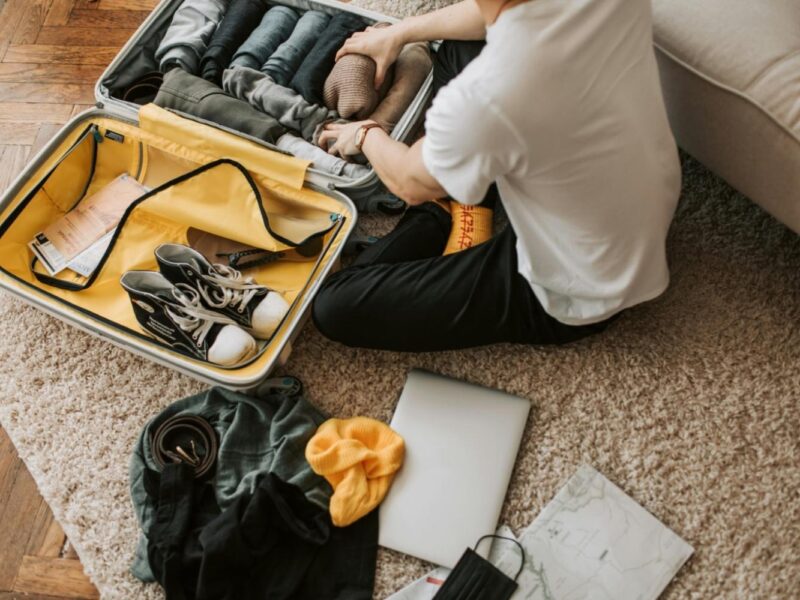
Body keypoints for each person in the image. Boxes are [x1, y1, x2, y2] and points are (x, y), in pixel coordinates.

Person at [312, 0, 681, 352]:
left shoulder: (486, 95)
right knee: (459, 48)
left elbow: (408, 184)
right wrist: (400, 32)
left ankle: (443, 213)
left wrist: (364, 133)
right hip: (636, 201)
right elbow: (492, 13)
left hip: (582, 287)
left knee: (335, 303)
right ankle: (460, 190)